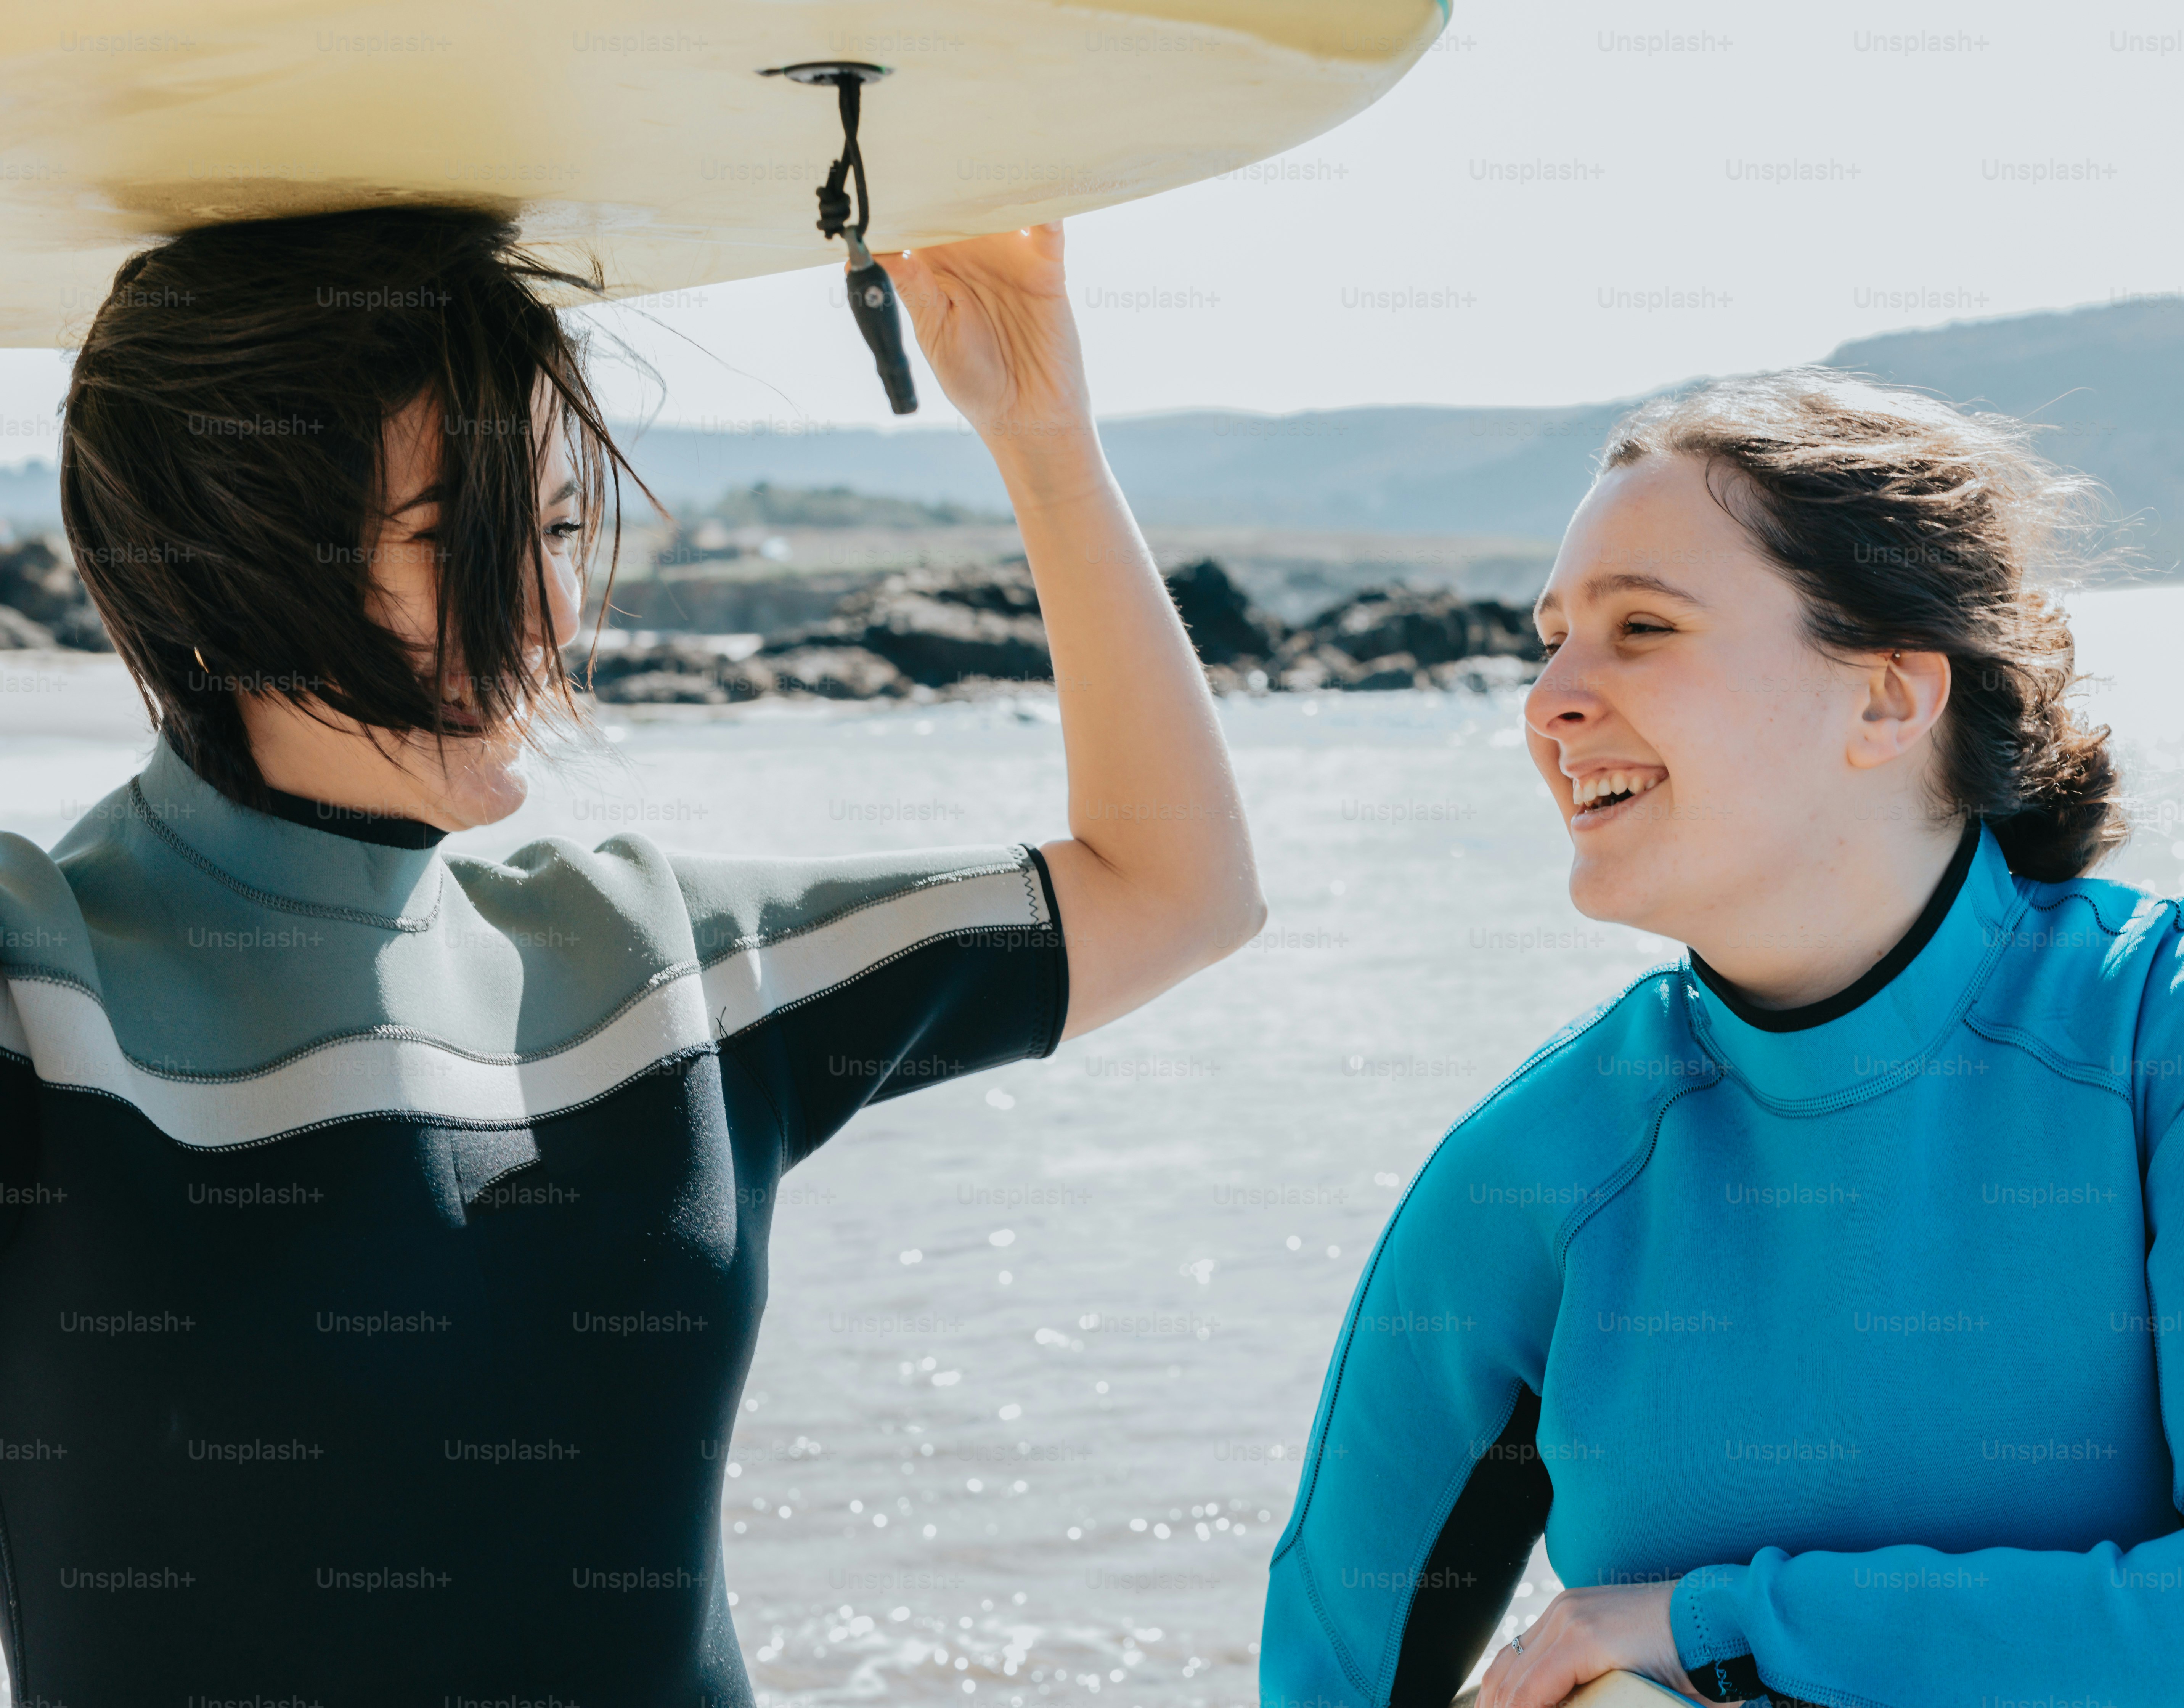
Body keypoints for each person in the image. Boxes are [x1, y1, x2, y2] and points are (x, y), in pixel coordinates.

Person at [0, 207, 1263, 1703]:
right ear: (228, 553)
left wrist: (1044, 432)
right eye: (451, 538)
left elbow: (1173, 888)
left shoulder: (655, 962)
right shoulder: (46, 991)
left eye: (546, 528)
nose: (544, 614)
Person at [1257, 373, 2184, 1708]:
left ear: (1891, 701)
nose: (1550, 698)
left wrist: (1722, 1621)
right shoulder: (1536, 1175)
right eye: (1551, 639)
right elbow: (1332, 1680)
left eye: (1642, 627)